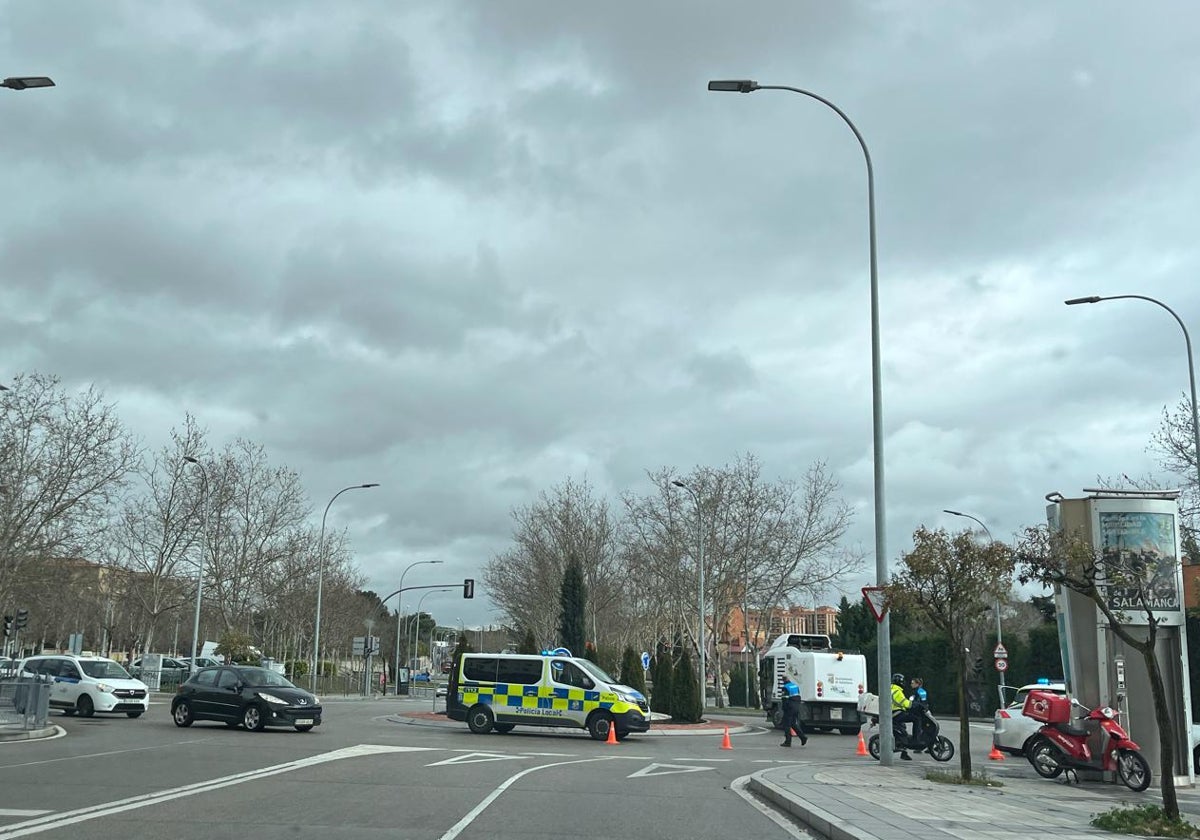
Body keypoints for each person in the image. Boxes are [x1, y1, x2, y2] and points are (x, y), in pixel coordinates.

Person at [890, 672, 914, 760]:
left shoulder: (890, 689)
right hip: (896, 713)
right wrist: (912, 704)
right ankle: (916, 737)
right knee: (916, 718)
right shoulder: (897, 691)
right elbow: (903, 702)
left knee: (902, 729)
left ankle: (904, 752)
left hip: (893, 713)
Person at [780, 678, 808, 747]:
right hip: (796, 707)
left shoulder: (785, 688)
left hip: (789, 708)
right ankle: (803, 737)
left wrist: (784, 709)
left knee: (786, 724)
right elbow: (798, 696)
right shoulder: (795, 686)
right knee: (793, 723)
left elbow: (784, 700)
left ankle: (788, 742)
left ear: (783, 681)